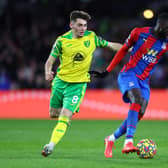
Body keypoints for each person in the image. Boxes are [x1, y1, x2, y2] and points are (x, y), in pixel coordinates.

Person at [41, 10, 122, 157]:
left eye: (85, 25)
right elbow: (50, 61)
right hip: (60, 82)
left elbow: (110, 45)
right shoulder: (61, 41)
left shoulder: (92, 37)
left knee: (65, 115)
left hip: (78, 84)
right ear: (71, 25)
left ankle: (50, 145)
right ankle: (66, 117)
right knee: (53, 114)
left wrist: (128, 47)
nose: (83, 28)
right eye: (79, 25)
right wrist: (48, 71)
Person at [90, 13, 168, 158]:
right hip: (129, 74)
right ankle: (128, 141)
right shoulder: (139, 33)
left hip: (144, 82)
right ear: (162, 26)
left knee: (140, 112)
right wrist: (108, 70)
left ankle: (111, 138)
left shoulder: (165, 43)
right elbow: (122, 50)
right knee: (136, 99)